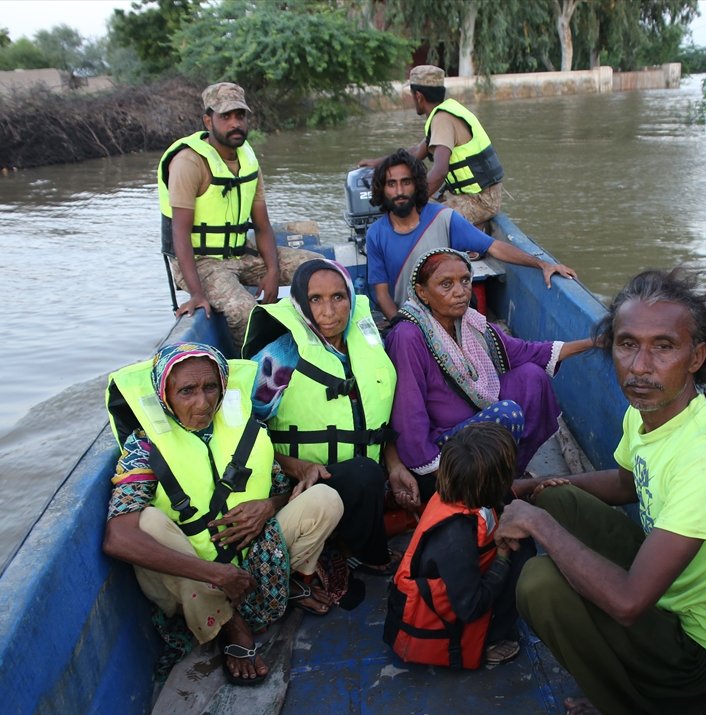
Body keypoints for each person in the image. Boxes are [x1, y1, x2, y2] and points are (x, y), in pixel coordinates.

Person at [497, 267, 706, 715]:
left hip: (701, 669)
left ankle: (640, 714)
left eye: (664, 347)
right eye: (626, 344)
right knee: (555, 495)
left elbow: (627, 602)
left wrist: (537, 525)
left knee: (539, 584)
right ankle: (545, 501)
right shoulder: (646, 413)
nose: (640, 366)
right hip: (670, 608)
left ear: (696, 356)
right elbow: (625, 482)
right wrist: (529, 489)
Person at [102, 342, 344, 686]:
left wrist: (267, 508)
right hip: (197, 577)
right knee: (148, 523)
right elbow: (118, 537)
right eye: (186, 391)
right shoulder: (144, 448)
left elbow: (279, 489)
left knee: (325, 499)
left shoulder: (244, 427)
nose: (202, 403)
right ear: (165, 394)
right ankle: (231, 625)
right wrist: (215, 573)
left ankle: (282, 584)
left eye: (210, 387)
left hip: (257, 554)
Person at [242, 259, 420, 575]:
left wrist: (394, 465)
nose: (329, 311)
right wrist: (297, 466)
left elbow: (377, 420)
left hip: (364, 475)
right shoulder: (279, 358)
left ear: (351, 298)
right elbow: (242, 435)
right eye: (316, 299)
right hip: (303, 482)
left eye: (338, 297)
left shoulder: (366, 344)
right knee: (365, 473)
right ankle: (365, 552)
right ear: (299, 302)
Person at [385, 248, 594, 504]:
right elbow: (408, 414)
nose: (461, 291)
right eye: (446, 284)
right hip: (442, 450)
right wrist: (434, 473)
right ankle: (482, 485)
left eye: (465, 280)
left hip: (475, 425)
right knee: (506, 413)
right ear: (422, 292)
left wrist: (592, 342)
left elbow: (525, 352)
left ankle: (506, 475)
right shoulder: (408, 335)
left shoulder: (470, 322)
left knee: (532, 376)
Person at [158, 82, 323, 348]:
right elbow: (180, 233)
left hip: (240, 251)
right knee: (244, 311)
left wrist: (272, 270)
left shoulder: (248, 160)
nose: (235, 123)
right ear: (208, 120)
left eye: (240, 116)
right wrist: (197, 293)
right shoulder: (189, 162)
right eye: (225, 117)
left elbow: (261, 225)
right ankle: (251, 363)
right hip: (201, 261)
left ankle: (319, 342)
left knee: (318, 269)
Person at [384, 422, 536, 669]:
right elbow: (470, 607)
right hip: (455, 613)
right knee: (524, 555)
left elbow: (501, 499)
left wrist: (535, 487)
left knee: (523, 540)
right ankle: (490, 641)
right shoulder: (455, 536)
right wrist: (503, 556)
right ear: (493, 482)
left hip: (460, 583)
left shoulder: (462, 490)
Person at [364, 149, 577, 320]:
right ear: (382, 190)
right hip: (410, 318)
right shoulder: (376, 234)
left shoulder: (443, 218)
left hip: (448, 315)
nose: (399, 190)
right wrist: (399, 322)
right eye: (392, 184)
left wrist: (542, 265)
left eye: (406, 182)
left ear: (416, 185)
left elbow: (494, 247)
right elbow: (381, 292)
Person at [358, 65, 504, 226]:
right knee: (403, 203)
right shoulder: (446, 112)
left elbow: (440, 171)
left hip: (479, 200)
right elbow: (415, 152)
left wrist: (413, 203)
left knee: (414, 220)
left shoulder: (442, 119)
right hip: (474, 194)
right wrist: (379, 163)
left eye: (412, 95)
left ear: (419, 96)